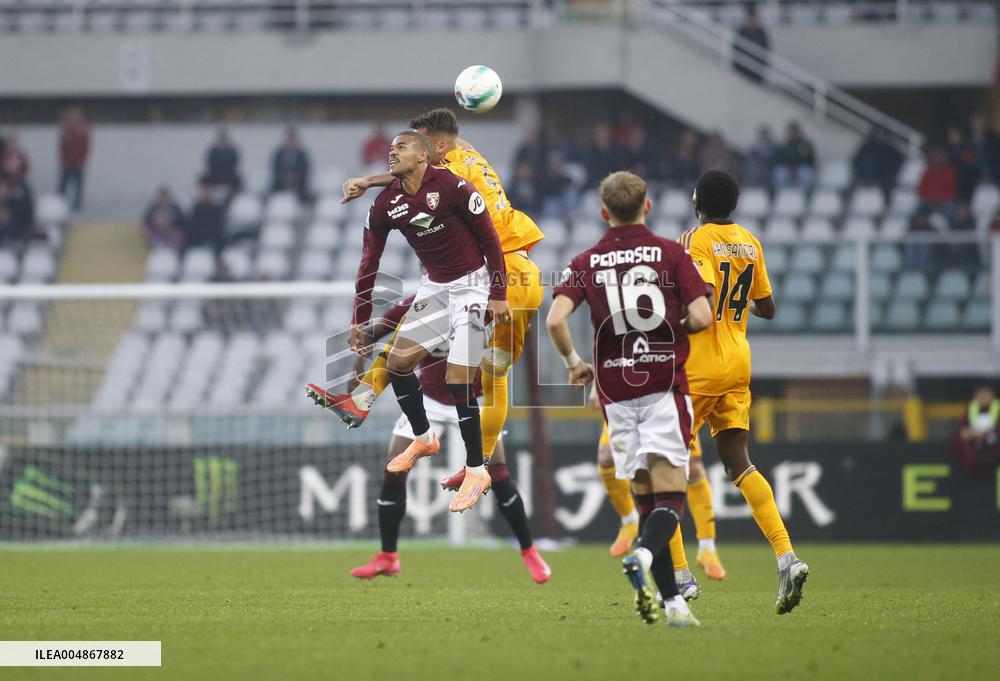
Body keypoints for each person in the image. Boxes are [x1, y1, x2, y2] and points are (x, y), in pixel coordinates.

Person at [308, 108, 545, 506]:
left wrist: (499, 291)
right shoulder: (463, 153)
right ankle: (368, 403)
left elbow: (473, 226)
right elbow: (421, 164)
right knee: (431, 355)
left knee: (488, 377)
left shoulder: (452, 180)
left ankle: (478, 466)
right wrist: (369, 182)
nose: (403, 150)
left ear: (433, 149)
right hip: (501, 268)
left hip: (504, 270)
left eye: (415, 143)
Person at [547, 170, 712, 628]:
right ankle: (643, 553)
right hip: (663, 386)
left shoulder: (585, 261)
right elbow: (701, 315)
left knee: (644, 502)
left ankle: (675, 606)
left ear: (603, 213)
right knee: (670, 500)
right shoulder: (671, 253)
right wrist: (676, 326)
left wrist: (575, 364)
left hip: (615, 394)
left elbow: (555, 321)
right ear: (648, 206)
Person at [341, 297, 550, 583]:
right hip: (428, 400)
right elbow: (374, 333)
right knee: (393, 469)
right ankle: (387, 556)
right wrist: (360, 356)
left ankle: (529, 551)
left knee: (498, 474)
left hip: (471, 401)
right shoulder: (419, 303)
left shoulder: (482, 304)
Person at [679, 170, 809, 614]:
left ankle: (679, 574)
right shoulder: (750, 242)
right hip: (738, 360)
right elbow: (768, 308)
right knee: (740, 463)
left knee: (663, 462)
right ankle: (786, 556)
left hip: (701, 365)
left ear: (697, 200)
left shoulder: (697, 239)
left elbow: (704, 296)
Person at [589, 384, 708, 599]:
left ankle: (684, 570)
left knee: (669, 483)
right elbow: (606, 348)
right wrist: (597, 383)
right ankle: (630, 522)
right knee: (611, 460)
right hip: (627, 393)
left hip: (665, 394)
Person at [954, 385, 1000, 478]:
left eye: (986, 393)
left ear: (992, 395)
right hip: (976, 449)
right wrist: (974, 434)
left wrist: (985, 434)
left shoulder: (997, 408)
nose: (983, 396)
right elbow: (962, 431)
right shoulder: (970, 409)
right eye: (980, 393)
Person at [852, 127, 903, 204]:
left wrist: (889, 171)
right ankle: (847, 201)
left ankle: (886, 205)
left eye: (882, 134)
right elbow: (857, 160)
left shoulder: (891, 149)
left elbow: (898, 161)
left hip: (883, 175)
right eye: (879, 134)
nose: (880, 136)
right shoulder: (868, 146)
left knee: (887, 185)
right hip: (866, 173)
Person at [58, 107, 90, 211]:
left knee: (78, 185)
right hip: (67, 162)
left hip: (78, 162)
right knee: (63, 184)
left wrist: (83, 160)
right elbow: (62, 145)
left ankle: (77, 205)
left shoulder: (82, 129)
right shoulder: (66, 129)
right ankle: (59, 202)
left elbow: (86, 146)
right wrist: (62, 159)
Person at [270, 127, 311, 201]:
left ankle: (303, 206)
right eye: (289, 139)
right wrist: (284, 177)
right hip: (281, 181)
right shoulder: (279, 153)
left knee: (304, 191)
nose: (291, 141)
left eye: (292, 139)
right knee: (272, 189)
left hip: (297, 181)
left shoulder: (301, 154)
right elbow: (275, 168)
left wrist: (295, 176)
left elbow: (305, 168)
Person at [773, 122, 816, 192]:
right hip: (787, 169)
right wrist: (790, 167)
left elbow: (810, 159)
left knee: (806, 175)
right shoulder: (784, 145)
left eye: (795, 132)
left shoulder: (805, 144)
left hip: (801, 168)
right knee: (779, 174)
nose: (793, 134)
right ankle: (782, 194)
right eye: (791, 132)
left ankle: (805, 195)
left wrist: (797, 167)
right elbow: (779, 159)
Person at [917, 147, 958, 218]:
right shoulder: (928, 171)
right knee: (917, 209)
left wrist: (940, 198)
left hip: (944, 202)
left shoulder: (949, 171)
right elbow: (922, 188)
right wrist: (929, 197)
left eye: (940, 157)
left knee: (951, 208)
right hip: (929, 201)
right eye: (937, 157)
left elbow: (952, 189)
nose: (938, 159)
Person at [186, 182, 226, 253]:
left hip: (213, 236)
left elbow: (219, 225)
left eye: (209, 191)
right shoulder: (197, 208)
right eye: (205, 191)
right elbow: (193, 225)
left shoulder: (217, 208)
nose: (207, 194)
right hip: (198, 236)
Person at [734, 4, 770, 83]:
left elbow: (766, 50)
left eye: (754, 18)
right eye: (750, 18)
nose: (752, 20)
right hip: (743, 70)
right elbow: (735, 50)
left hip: (757, 71)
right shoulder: (741, 32)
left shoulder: (761, 33)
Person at [946, 125, 980, 202]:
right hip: (952, 182)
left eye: (955, 134)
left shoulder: (966, 148)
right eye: (951, 135)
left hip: (966, 181)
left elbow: (970, 164)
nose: (953, 137)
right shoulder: (947, 150)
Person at [584, 124, 625, 189]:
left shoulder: (616, 149)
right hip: (597, 185)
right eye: (599, 133)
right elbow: (590, 172)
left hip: (615, 184)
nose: (602, 135)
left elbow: (620, 168)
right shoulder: (592, 152)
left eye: (603, 132)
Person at [203, 130, 241, 197]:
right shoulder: (213, 152)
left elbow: (234, 165)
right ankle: (207, 198)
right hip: (215, 175)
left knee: (238, 180)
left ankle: (233, 197)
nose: (223, 142)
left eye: (225, 140)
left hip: (229, 175)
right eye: (221, 140)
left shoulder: (232, 152)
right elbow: (210, 165)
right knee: (204, 179)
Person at [745, 125, 778, 191]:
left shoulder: (774, 147)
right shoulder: (755, 148)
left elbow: (776, 159)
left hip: (770, 168)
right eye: (763, 135)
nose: (764, 137)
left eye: (766, 135)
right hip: (759, 168)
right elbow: (751, 158)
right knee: (754, 170)